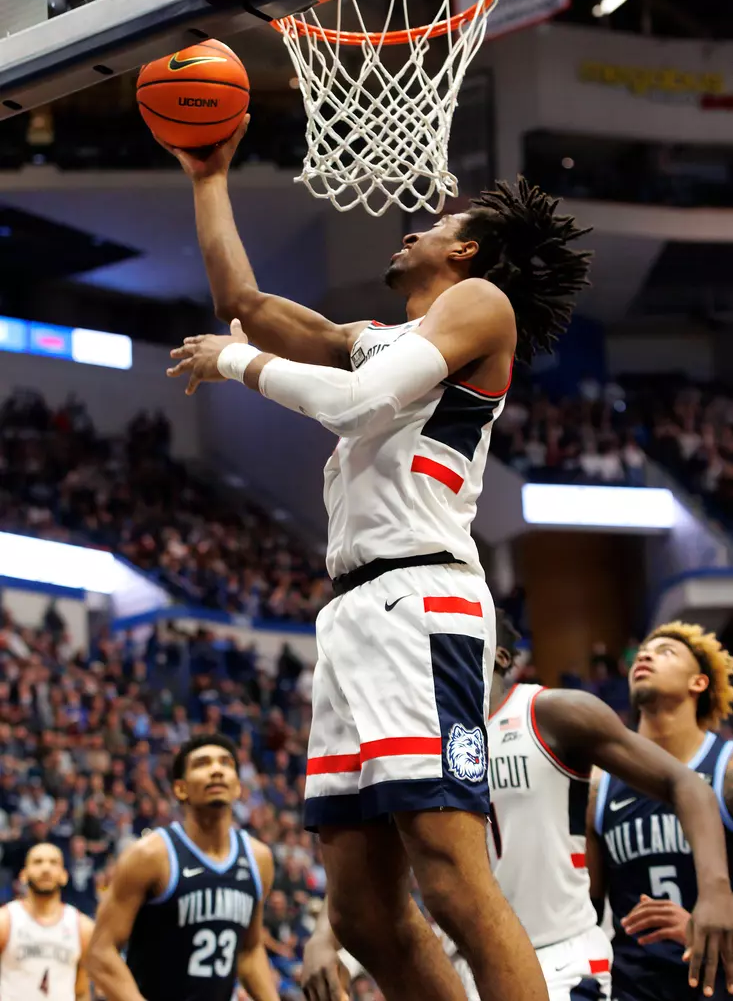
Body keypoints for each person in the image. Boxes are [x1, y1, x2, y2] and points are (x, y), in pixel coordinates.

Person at [164, 119, 595, 1001]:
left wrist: (237, 366)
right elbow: (244, 301)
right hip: (356, 611)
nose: (411, 230)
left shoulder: (481, 306)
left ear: (466, 248)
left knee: (449, 876)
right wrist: (208, 174)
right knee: (361, 912)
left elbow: (356, 406)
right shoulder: (383, 336)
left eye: (432, 225)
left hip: (421, 599)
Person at [302, 612, 733, 1001]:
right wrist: (327, 935)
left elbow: (686, 784)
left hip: (561, 961)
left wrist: (714, 891)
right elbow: (375, 854)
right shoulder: (416, 746)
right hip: (463, 971)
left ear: (498, 655)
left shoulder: (551, 712)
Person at [589, 622, 733, 1001]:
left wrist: (703, 927)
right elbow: (584, 911)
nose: (647, 655)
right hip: (632, 988)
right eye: (644, 652)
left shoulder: (727, 769)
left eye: (667, 651)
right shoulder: (598, 787)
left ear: (698, 683)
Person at [85, 733, 278, 1001]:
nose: (216, 771)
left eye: (225, 763)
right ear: (180, 789)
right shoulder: (149, 855)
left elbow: (249, 949)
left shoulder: (259, 858)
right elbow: (100, 953)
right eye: (202, 764)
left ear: (237, 786)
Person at [0, 841, 94, 1001]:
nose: (46, 868)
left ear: (64, 876)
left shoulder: (82, 927)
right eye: (37, 862)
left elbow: (81, 991)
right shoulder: (5, 920)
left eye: (53, 862)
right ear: (23, 875)